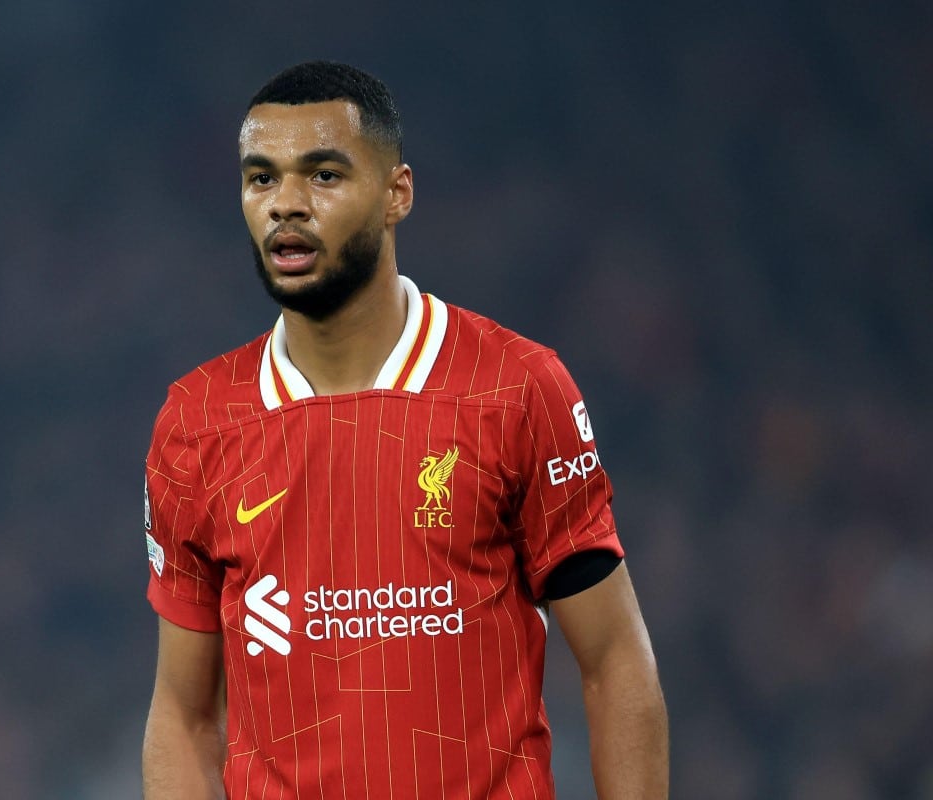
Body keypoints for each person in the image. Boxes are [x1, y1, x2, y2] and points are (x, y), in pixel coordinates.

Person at [142, 60, 668, 799]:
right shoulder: (198, 422)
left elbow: (614, 661)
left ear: (397, 194)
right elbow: (183, 715)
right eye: (262, 178)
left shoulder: (515, 388)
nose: (285, 204)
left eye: (323, 175)